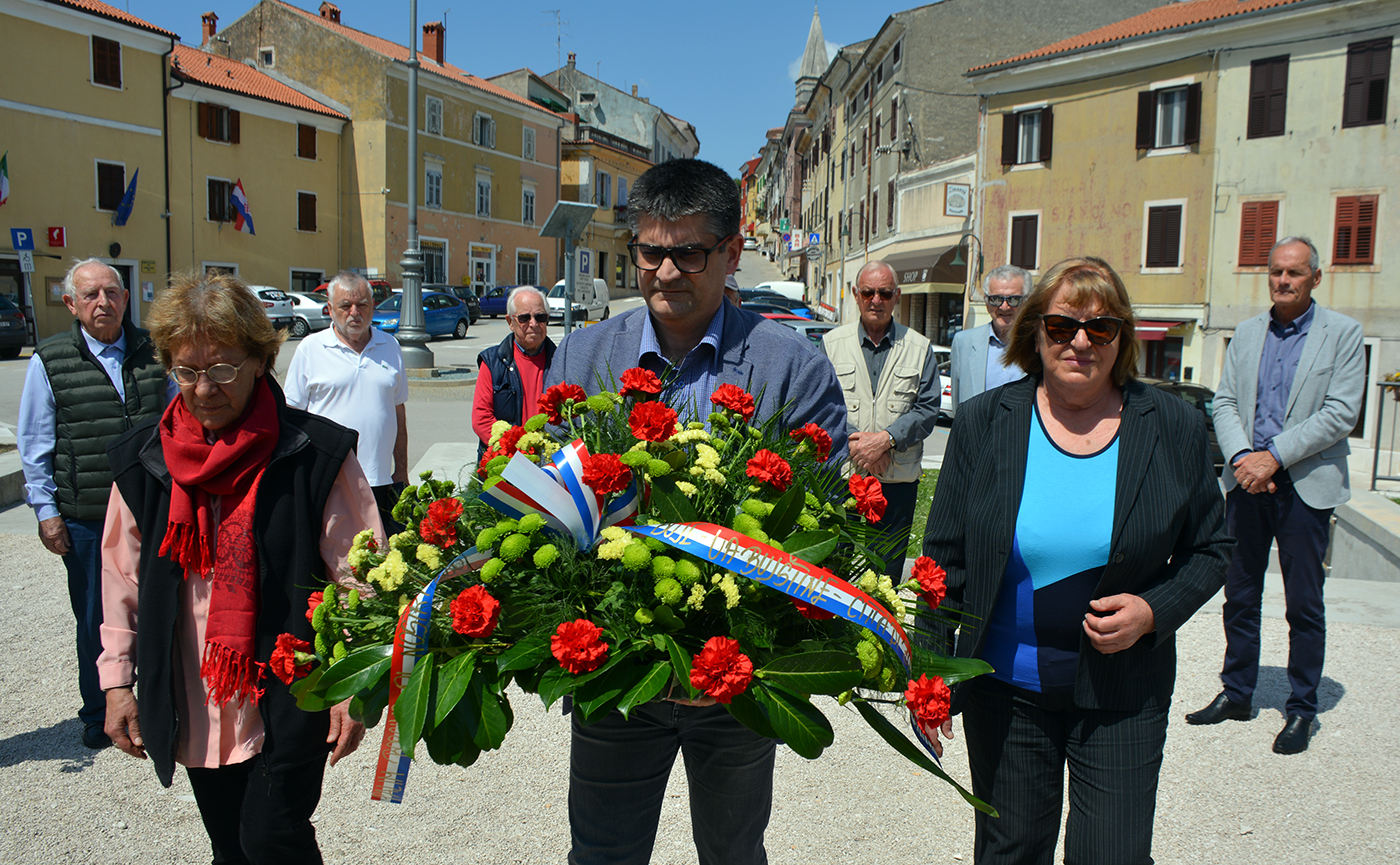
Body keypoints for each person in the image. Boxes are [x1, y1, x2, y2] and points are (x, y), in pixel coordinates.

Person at [544, 157, 848, 865]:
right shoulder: (585, 357)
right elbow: (548, 506)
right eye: (651, 251)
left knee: (735, 853)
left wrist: (746, 642)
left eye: (689, 252)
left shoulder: (790, 365)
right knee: (601, 853)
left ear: (733, 251)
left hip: (736, 682)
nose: (667, 272)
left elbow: (823, 519)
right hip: (614, 671)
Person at [922, 257, 1230, 864]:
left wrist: (1152, 609)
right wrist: (931, 672)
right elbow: (944, 559)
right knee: (1010, 851)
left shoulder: (1173, 424)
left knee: (1110, 854)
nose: (1081, 342)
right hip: (1005, 690)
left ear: (1122, 339)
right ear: (1035, 332)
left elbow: (1213, 548)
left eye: (1101, 328)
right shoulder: (986, 421)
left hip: (1123, 693)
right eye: (1062, 327)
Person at [99, 272, 380, 864]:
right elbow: (121, 581)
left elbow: (360, 580)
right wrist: (117, 682)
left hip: (285, 690)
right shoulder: (144, 460)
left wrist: (355, 685)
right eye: (186, 370)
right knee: (228, 845)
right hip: (192, 693)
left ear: (260, 359)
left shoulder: (315, 454)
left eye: (222, 368)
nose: (203, 389)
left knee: (272, 838)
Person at [1185, 236, 1365, 755]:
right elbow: (1224, 402)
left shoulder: (1344, 334)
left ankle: (1302, 708)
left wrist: (1274, 457)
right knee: (1239, 596)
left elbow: (1340, 413)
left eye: (1294, 272)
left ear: (1315, 277)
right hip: (1246, 483)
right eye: (1276, 272)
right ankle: (1238, 691)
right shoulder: (1244, 333)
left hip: (1305, 486)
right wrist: (1244, 458)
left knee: (1304, 603)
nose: (1283, 280)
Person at [17, 258, 169, 749]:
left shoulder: (154, 350)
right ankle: (100, 709)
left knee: (163, 607)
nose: (103, 303)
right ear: (71, 304)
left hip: (152, 508)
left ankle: (163, 701)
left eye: (112, 293)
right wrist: (46, 512)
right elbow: (35, 443)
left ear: (126, 298)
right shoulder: (50, 359)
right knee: (96, 618)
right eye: (90, 295)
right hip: (87, 515)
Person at [820, 259, 940, 578]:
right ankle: (837, 629)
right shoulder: (831, 345)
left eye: (885, 293)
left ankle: (879, 629)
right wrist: (860, 447)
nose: (876, 300)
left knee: (885, 573)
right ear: (856, 295)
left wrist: (885, 440)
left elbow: (928, 409)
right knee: (836, 568)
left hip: (897, 480)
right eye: (869, 292)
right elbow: (823, 404)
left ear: (897, 296)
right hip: (843, 477)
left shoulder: (919, 347)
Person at [284, 271, 408, 533]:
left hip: (379, 479)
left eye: (362, 304)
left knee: (380, 559)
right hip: (329, 480)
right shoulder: (310, 349)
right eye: (345, 306)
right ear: (330, 309)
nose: (355, 312)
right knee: (334, 562)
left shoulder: (391, 346)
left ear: (373, 307)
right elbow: (291, 418)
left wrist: (401, 471)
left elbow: (398, 412)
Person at [471, 285, 555, 458]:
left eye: (540, 317)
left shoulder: (560, 359)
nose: (533, 324)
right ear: (510, 322)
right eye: (524, 318)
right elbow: (481, 418)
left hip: (549, 460)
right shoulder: (492, 361)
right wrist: (514, 451)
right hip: (505, 459)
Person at [948, 264, 1031, 414]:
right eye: (996, 299)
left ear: (1026, 302)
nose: (1004, 307)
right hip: (978, 436)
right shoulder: (963, 343)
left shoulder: (1038, 343)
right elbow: (958, 408)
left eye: (1013, 300)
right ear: (986, 302)